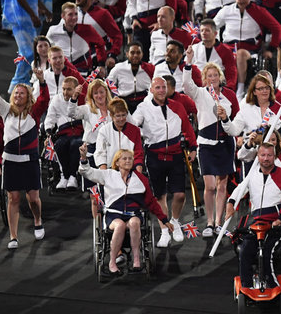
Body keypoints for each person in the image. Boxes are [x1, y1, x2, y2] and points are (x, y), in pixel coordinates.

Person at [0, 61, 49, 249]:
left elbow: (44, 100)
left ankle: (38, 219)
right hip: (10, 162)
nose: (18, 95)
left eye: (22, 93)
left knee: (33, 199)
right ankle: (13, 236)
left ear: (28, 97)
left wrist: (42, 81)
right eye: (16, 93)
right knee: (13, 198)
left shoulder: (34, 114)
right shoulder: (6, 111)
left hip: (30, 162)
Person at [79, 145, 173, 274]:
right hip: (114, 214)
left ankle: (136, 260)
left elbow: (151, 202)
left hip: (133, 214)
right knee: (120, 225)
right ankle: (112, 262)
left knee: (135, 222)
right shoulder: (109, 175)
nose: (128, 161)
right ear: (117, 162)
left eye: (130, 158)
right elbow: (87, 172)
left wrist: (164, 220)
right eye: (124, 159)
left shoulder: (141, 179)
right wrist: (84, 158)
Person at [131, 77, 197, 247]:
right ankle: (165, 231)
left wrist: (193, 147)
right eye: (158, 87)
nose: (161, 90)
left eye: (164, 87)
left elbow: (187, 128)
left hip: (176, 155)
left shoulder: (177, 106)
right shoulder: (143, 108)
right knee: (160, 196)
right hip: (154, 156)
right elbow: (132, 125)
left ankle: (174, 221)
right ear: (151, 90)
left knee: (180, 195)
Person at [183, 47, 239, 236]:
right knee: (210, 186)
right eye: (209, 75)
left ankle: (218, 223)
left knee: (222, 185)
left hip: (225, 144)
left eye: (215, 75)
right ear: (205, 78)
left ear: (220, 77)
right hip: (206, 144)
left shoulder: (230, 95)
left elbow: (237, 117)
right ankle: (208, 222)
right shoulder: (200, 93)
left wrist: (233, 128)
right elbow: (186, 85)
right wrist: (188, 61)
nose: (213, 78)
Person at [225, 141, 281, 289]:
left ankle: (272, 286)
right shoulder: (252, 175)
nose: (266, 158)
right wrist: (231, 203)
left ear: (274, 156)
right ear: (257, 156)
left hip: (276, 223)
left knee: (267, 252)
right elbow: (240, 189)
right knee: (245, 251)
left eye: (269, 155)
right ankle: (246, 287)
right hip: (256, 223)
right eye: (263, 155)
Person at [213, 0, 281, 96]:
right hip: (228, 46)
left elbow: (277, 28)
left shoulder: (258, 11)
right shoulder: (226, 10)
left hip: (249, 49)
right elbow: (213, 26)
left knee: (240, 54)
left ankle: (239, 90)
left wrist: (271, 48)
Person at [218, 73, 281, 161]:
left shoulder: (279, 109)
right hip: (251, 158)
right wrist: (225, 119)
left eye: (267, 88)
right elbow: (234, 131)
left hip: (275, 160)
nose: (265, 91)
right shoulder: (246, 109)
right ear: (254, 91)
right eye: (261, 88)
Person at [44, 76, 85, 190]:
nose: (65, 92)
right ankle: (64, 176)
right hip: (63, 133)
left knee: (76, 144)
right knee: (60, 145)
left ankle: (73, 176)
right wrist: (48, 130)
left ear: (76, 89)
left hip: (79, 132)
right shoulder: (56, 99)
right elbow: (50, 117)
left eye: (69, 89)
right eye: (63, 89)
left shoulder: (83, 99)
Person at [46, 2, 106, 76]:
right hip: (61, 70)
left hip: (83, 70)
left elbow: (101, 44)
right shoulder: (53, 31)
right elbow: (46, 49)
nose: (74, 17)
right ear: (63, 16)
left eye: (76, 14)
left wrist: (101, 64)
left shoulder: (87, 29)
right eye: (70, 14)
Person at [75, 0, 123, 69]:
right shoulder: (72, 14)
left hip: (100, 60)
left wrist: (112, 55)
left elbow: (117, 36)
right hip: (79, 60)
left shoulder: (102, 14)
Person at [94, 98, 145, 170]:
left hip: (130, 170)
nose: (121, 119)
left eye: (123, 115)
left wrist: (138, 176)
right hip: (110, 170)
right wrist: (105, 175)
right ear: (111, 115)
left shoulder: (135, 130)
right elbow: (100, 154)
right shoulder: (104, 131)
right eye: (118, 116)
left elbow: (138, 154)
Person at [188, 18, 238, 91]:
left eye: (207, 30)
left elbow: (231, 72)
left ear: (215, 33)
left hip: (217, 87)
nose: (204, 33)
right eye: (202, 30)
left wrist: (229, 89)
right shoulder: (194, 48)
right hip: (196, 88)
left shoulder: (225, 50)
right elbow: (186, 68)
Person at [108, 42, 155, 112]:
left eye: (138, 52)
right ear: (127, 54)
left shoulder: (150, 68)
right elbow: (108, 82)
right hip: (124, 102)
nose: (135, 55)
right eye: (132, 53)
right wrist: (115, 96)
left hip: (144, 101)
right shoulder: (119, 68)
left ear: (142, 54)